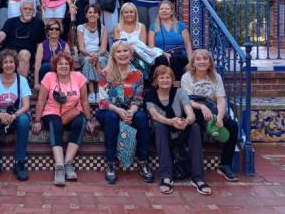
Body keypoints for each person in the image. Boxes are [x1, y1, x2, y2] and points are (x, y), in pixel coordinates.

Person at [145, 66, 211, 195]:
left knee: (195, 127)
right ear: (156, 80)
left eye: (168, 77)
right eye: (161, 78)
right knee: (159, 126)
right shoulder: (150, 94)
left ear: (173, 79)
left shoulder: (180, 92)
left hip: (180, 129)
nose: (165, 80)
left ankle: (198, 178)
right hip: (161, 133)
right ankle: (166, 176)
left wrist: (185, 122)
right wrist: (172, 122)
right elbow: (155, 116)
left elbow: (190, 114)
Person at [32, 52, 94, 186]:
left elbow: (84, 101)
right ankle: (59, 166)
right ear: (55, 65)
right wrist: (37, 120)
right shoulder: (49, 76)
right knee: (56, 124)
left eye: (66, 63)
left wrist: (89, 119)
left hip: (72, 112)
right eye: (60, 63)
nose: (64, 66)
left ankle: (68, 163)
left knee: (81, 121)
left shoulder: (78, 77)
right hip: (52, 112)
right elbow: (41, 100)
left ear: (71, 66)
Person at [96, 41, 153, 184]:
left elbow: (138, 99)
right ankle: (111, 163)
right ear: (114, 55)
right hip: (109, 110)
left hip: (129, 110)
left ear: (131, 53)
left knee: (141, 117)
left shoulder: (137, 74)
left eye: (125, 51)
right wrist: (119, 111)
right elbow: (102, 101)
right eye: (119, 52)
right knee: (111, 117)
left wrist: (131, 112)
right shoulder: (105, 73)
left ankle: (143, 161)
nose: (122, 54)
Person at [181, 49, 239, 181]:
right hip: (194, 109)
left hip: (212, 111)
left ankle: (225, 165)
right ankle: (195, 166)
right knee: (197, 123)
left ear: (210, 62)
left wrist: (220, 116)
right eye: (198, 59)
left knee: (233, 126)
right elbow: (186, 100)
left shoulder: (216, 77)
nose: (202, 61)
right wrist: (201, 106)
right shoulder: (187, 77)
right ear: (193, 63)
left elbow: (221, 99)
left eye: (205, 59)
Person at [0, 50, 31, 181]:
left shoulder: (22, 81)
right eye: (5, 62)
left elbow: (26, 105)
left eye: (11, 62)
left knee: (24, 120)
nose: (9, 65)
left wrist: (15, 115)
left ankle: (19, 162)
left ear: (16, 64)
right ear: (1, 65)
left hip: (15, 116)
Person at [0, 0, 45, 77]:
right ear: (20, 10)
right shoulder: (11, 21)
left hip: (26, 55)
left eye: (30, 9)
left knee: (24, 53)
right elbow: (1, 35)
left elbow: (40, 44)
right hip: (8, 52)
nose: (28, 11)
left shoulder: (38, 23)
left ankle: (20, 86)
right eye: (25, 9)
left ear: (33, 11)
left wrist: (38, 60)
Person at [148, 0, 193, 80]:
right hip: (160, 55)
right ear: (158, 11)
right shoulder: (153, 26)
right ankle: (160, 85)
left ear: (172, 11)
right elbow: (151, 46)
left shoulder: (180, 25)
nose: (164, 10)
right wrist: (163, 53)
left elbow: (187, 44)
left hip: (178, 55)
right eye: (161, 9)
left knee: (175, 59)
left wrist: (191, 62)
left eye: (167, 9)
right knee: (161, 59)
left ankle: (177, 85)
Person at [77, 4, 108, 103]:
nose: (92, 14)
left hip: (100, 53)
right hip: (85, 54)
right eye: (90, 12)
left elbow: (103, 49)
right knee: (88, 60)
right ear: (86, 15)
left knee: (100, 60)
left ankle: (99, 91)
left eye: (95, 12)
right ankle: (91, 92)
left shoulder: (103, 29)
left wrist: (96, 55)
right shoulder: (80, 28)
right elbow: (81, 48)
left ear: (98, 15)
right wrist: (91, 55)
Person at [33, 20, 71, 91]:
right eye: (51, 28)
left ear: (60, 31)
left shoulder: (64, 45)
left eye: (57, 29)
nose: (54, 30)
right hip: (46, 74)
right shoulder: (42, 45)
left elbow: (69, 63)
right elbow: (37, 66)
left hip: (61, 73)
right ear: (47, 31)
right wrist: (36, 83)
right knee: (47, 66)